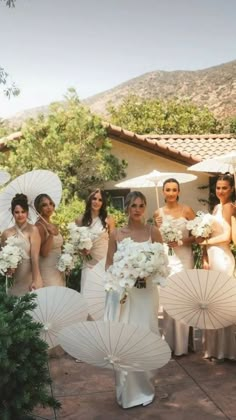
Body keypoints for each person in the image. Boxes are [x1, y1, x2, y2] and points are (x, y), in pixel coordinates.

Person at [105, 191, 164, 409]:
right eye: (133, 206)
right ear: (127, 209)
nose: (137, 209)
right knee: (126, 339)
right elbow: (109, 267)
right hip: (126, 296)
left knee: (147, 335)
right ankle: (127, 392)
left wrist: (146, 272)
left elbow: (162, 263)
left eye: (141, 205)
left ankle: (146, 388)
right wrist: (124, 280)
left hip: (147, 295)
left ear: (145, 208)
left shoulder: (153, 232)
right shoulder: (117, 234)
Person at [154, 178, 196, 356]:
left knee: (184, 299)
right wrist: (157, 229)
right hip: (167, 260)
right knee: (168, 300)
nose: (171, 193)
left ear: (179, 192)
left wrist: (180, 241)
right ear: (163, 192)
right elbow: (156, 239)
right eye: (168, 190)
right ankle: (170, 343)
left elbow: (197, 236)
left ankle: (185, 344)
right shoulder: (157, 213)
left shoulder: (187, 210)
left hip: (184, 257)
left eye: (174, 190)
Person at [198, 174, 236, 362]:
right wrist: (205, 256)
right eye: (218, 187)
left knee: (222, 302)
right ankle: (213, 348)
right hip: (212, 258)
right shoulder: (215, 208)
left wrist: (206, 241)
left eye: (225, 187)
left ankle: (226, 350)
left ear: (231, 189)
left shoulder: (229, 207)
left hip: (222, 257)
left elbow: (227, 236)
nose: (220, 191)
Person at [1, 193, 42, 296]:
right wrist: (6, 269)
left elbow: (35, 258)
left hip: (28, 277)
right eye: (17, 212)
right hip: (12, 278)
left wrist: (36, 279)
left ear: (27, 213)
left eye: (23, 212)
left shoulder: (33, 230)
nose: (20, 215)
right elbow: (2, 258)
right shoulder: (6, 233)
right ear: (12, 213)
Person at [75, 189, 115, 294]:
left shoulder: (108, 220)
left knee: (103, 295)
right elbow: (76, 243)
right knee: (88, 294)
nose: (96, 202)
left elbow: (113, 243)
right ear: (90, 200)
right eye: (94, 198)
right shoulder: (80, 220)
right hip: (88, 264)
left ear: (103, 203)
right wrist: (81, 250)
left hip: (104, 263)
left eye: (100, 200)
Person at [34, 194, 65, 287]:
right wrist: (51, 234)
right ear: (38, 208)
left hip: (58, 270)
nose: (49, 207)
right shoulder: (39, 226)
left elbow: (58, 247)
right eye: (44, 205)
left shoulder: (51, 224)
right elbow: (43, 253)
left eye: (51, 204)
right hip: (48, 271)